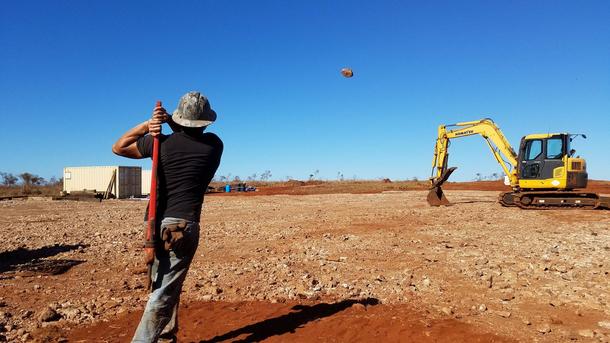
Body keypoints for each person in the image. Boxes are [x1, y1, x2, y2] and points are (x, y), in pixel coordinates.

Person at [112, 91, 223, 343]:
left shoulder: (159, 143)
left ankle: (165, 337)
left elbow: (118, 147)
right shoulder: (214, 146)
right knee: (164, 291)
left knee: (163, 284)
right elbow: (189, 129)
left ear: (178, 118)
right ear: (206, 122)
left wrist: (149, 124)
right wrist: (168, 122)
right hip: (183, 226)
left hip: (154, 224)